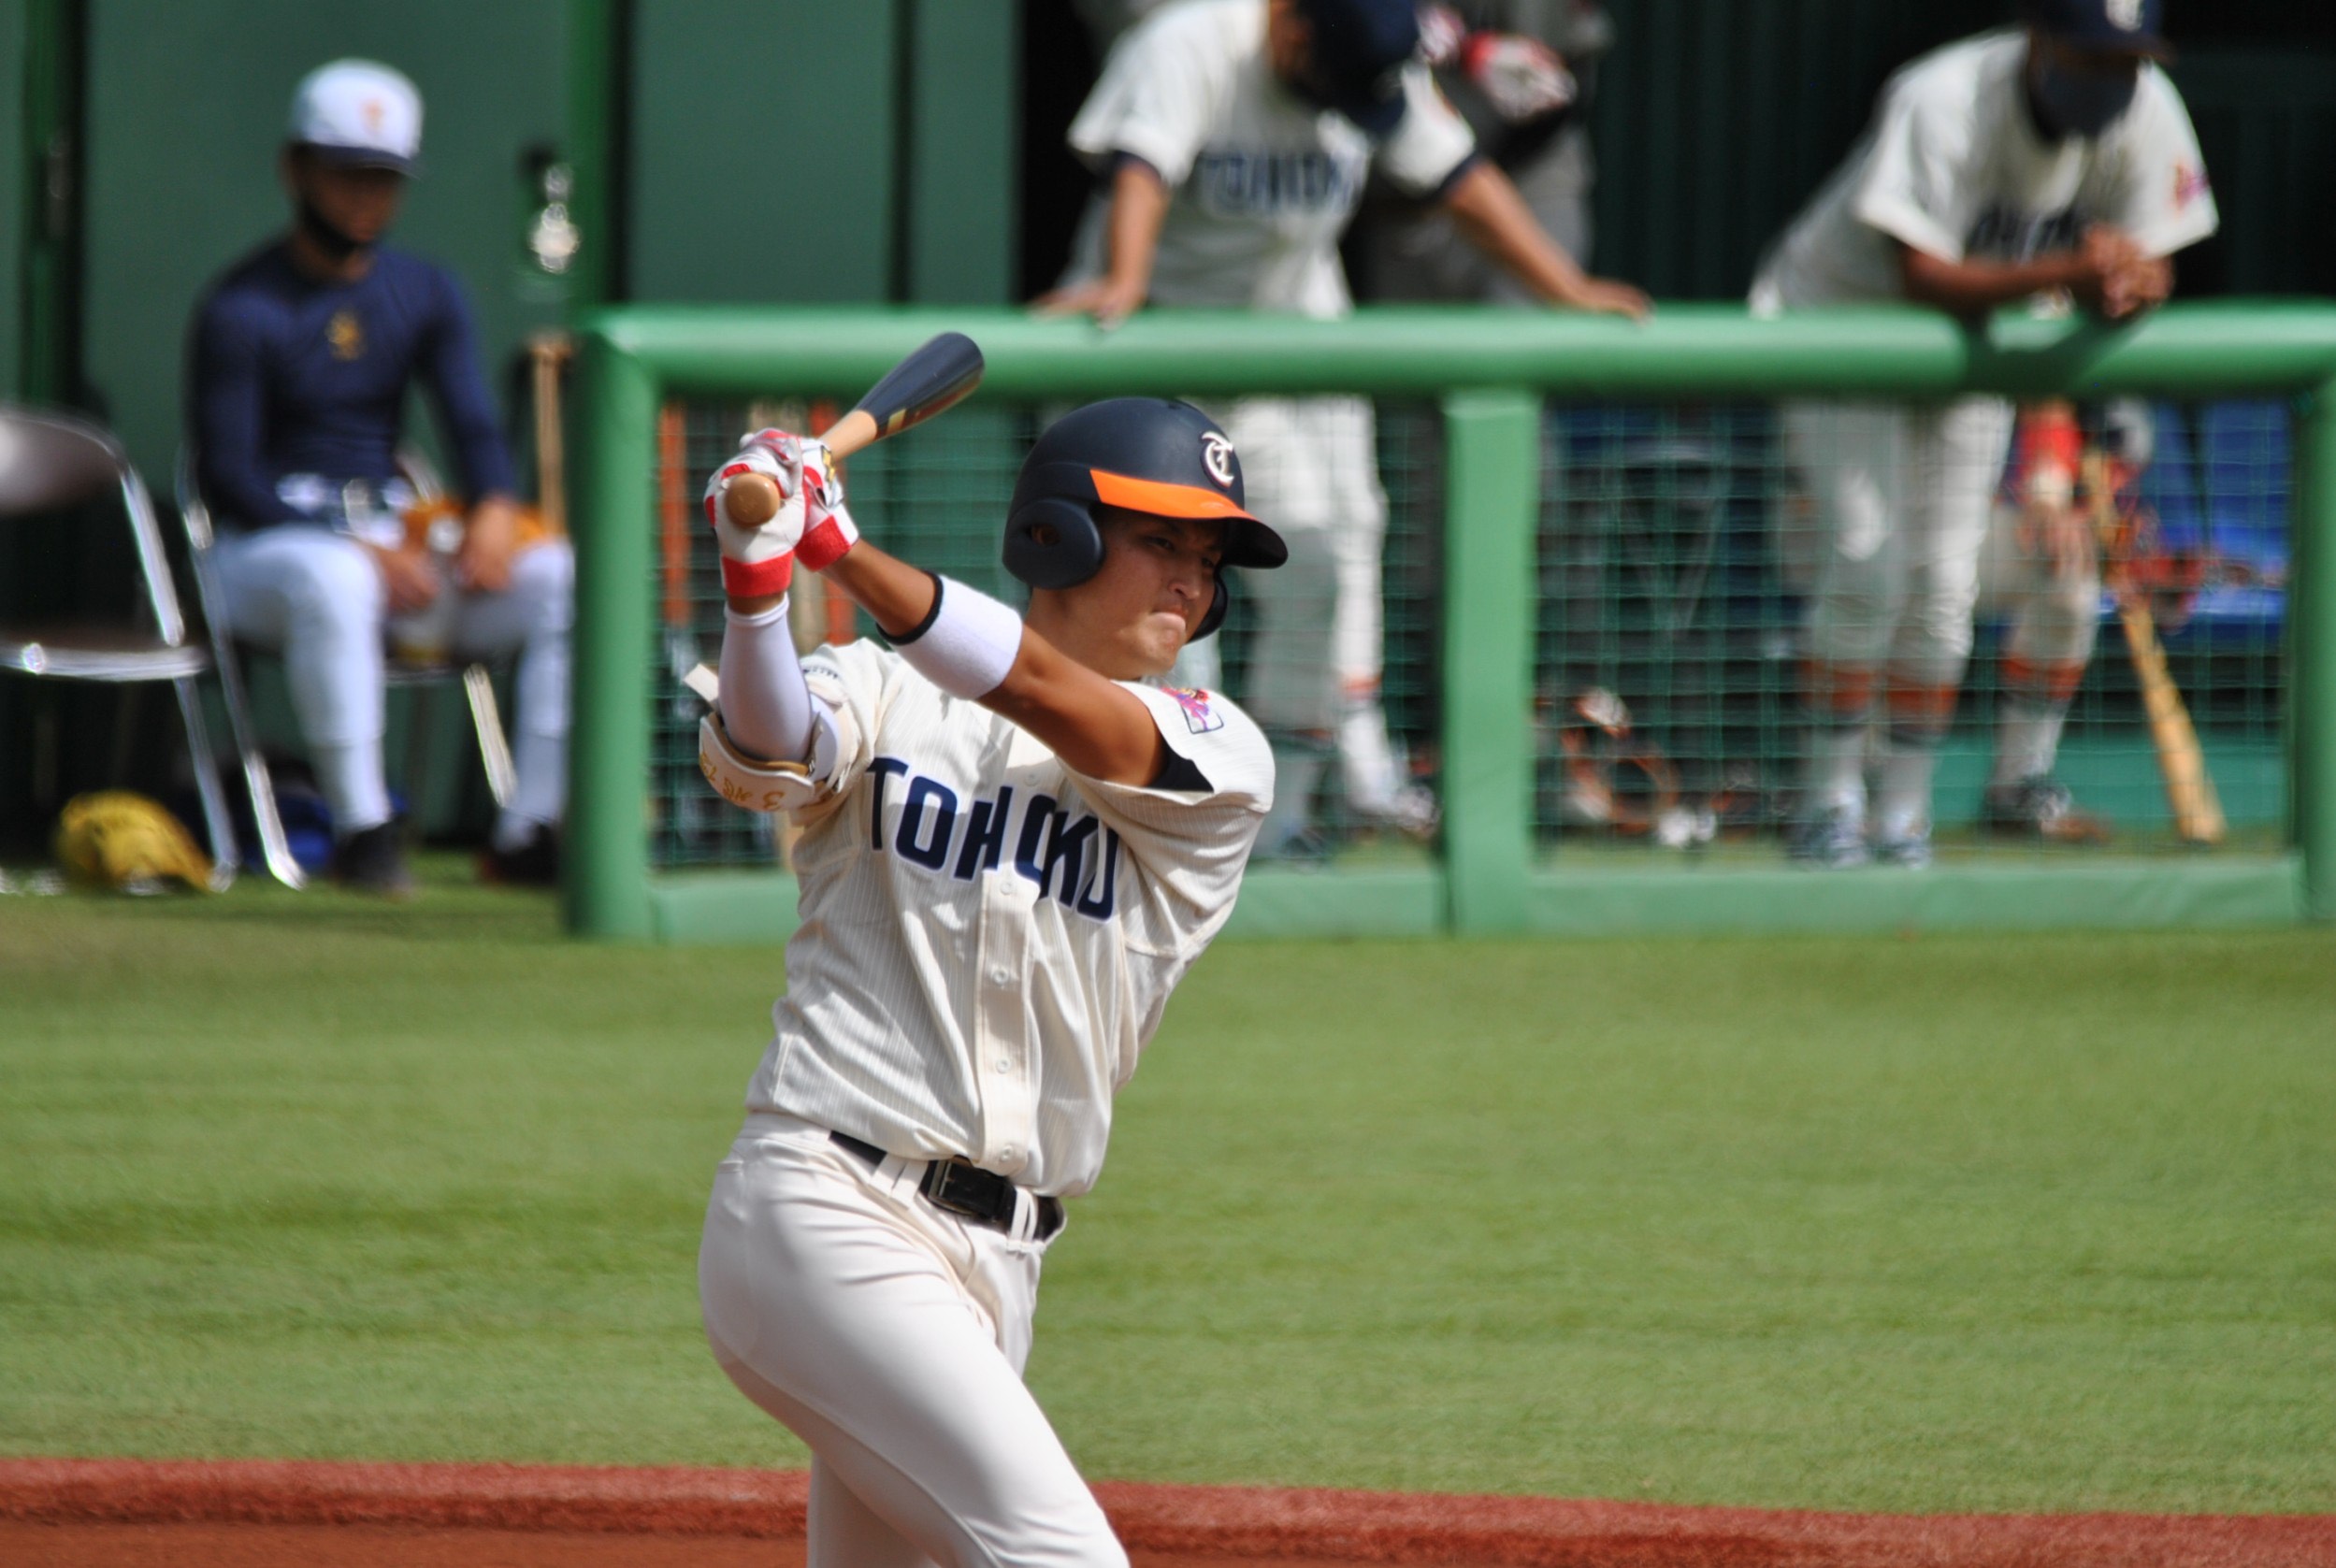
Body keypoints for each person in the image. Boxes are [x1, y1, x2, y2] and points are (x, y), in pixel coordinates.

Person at [692, 397, 1284, 1568]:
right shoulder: (882, 691)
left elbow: (1056, 706)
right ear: (1058, 534)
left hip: (998, 1271)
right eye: (1162, 541)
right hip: (826, 1213)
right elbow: (764, 754)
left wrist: (836, 549)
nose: (1190, 583)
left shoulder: (1220, 751)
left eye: (1207, 561)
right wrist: (756, 584)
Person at [1042, 0, 1647, 857]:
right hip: (1153, 360)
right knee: (1135, 617)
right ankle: (1134, 820)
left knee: (1319, 577)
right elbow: (1142, 165)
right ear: (1289, 29)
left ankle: (1276, 821)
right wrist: (1126, 279)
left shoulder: (1367, 50)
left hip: (1278, 356)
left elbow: (1461, 180)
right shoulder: (1196, 41)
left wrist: (1567, 289)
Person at [1750, 0, 2216, 867]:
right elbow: (1919, 273)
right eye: (2088, 56)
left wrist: (2133, 282)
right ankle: (1826, 803)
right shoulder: (1944, 94)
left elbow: (2158, 254)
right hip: (1841, 327)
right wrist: (2077, 271)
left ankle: (1902, 816)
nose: (2110, 79)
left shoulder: (2147, 107)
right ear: (2039, 39)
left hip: (1979, 348)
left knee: (1944, 586)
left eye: (2125, 60)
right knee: (1864, 562)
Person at [187, 60, 572, 896]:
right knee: (334, 577)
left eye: (384, 177)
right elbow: (227, 476)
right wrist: (353, 549)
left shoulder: (424, 290)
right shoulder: (241, 306)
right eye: (345, 173)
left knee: (559, 576)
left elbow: (471, 422)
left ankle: (527, 830)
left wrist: (498, 508)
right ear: (296, 170)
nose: (366, 195)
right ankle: (363, 831)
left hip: (392, 541)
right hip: (268, 552)